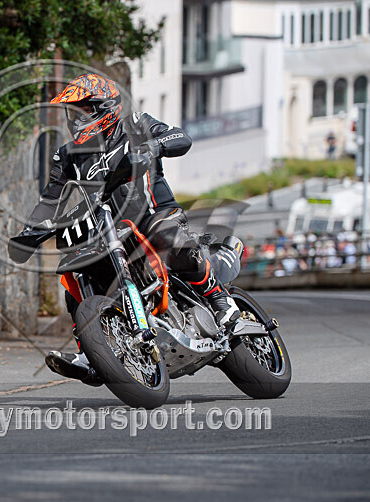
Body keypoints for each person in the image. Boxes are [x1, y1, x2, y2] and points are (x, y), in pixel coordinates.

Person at [12, 73, 240, 383]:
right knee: (75, 273)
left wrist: (154, 146)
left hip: (155, 211)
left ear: (105, 107)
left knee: (166, 236)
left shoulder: (135, 124)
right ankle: (91, 352)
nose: (75, 119)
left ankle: (219, 301)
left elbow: (181, 137)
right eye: (72, 112)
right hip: (109, 224)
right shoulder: (67, 155)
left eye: (83, 110)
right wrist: (29, 233)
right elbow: (51, 199)